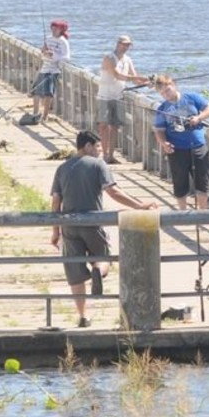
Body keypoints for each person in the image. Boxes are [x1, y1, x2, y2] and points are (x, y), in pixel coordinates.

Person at [50, 130, 155, 328]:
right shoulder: (99, 165)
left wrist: (55, 231)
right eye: (97, 146)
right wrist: (140, 206)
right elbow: (113, 191)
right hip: (93, 221)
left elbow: (56, 202)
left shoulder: (62, 168)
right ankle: (98, 270)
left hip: (69, 225)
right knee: (104, 257)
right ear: (87, 146)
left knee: (75, 273)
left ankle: (83, 316)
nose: (100, 150)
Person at [152, 75, 209, 209]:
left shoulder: (191, 98)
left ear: (174, 85)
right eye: (162, 93)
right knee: (180, 181)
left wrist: (198, 118)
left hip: (197, 145)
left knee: (202, 181)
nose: (166, 95)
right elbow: (159, 130)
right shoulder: (162, 109)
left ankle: (203, 213)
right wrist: (164, 143)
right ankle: (182, 212)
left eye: (168, 90)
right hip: (177, 149)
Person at [97, 35, 150, 164]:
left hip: (119, 96)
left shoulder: (128, 60)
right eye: (124, 44)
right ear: (118, 44)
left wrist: (147, 82)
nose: (126, 47)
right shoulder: (109, 58)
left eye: (128, 45)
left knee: (115, 126)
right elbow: (118, 75)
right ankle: (104, 155)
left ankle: (111, 155)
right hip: (104, 96)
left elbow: (134, 76)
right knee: (104, 126)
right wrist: (136, 78)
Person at [31, 19, 70, 123]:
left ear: (61, 30)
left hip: (53, 70)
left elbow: (66, 57)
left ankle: (45, 116)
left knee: (48, 94)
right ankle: (35, 114)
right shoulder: (48, 39)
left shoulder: (63, 41)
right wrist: (44, 52)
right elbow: (43, 52)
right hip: (44, 68)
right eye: (52, 28)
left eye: (56, 29)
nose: (53, 30)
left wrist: (53, 55)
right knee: (35, 92)